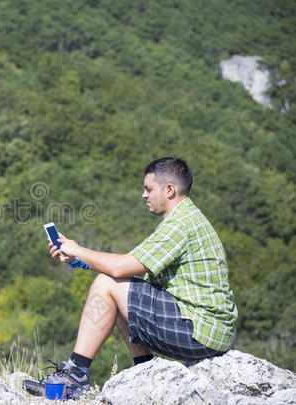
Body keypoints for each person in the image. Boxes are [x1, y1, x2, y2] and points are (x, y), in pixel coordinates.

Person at [23, 157, 238, 399]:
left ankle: (74, 376)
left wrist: (76, 248)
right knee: (122, 293)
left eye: (148, 189)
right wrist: (77, 260)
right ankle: (145, 371)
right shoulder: (188, 218)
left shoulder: (180, 225)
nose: (143, 195)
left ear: (170, 190)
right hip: (209, 331)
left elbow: (119, 269)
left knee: (107, 284)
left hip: (200, 332)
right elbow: (132, 272)